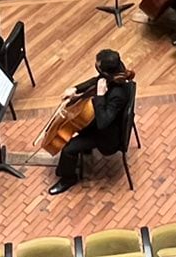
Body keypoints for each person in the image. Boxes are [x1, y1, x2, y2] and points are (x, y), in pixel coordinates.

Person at [48, 48, 135, 195]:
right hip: (104, 122)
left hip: (108, 137)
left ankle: (68, 178)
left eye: (99, 67)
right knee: (78, 122)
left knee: (68, 149)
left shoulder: (117, 94)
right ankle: (83, 150)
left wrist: (100, 95)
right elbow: (97, 80)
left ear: (107, 72)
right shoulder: (116, 72)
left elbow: (103, 123)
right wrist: (75, 89)